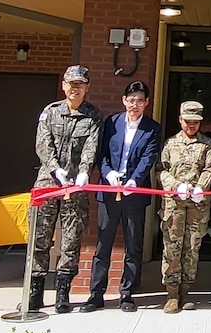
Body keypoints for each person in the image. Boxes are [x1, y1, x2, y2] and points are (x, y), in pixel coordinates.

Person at [82, 81, 161, 313]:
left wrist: (134, 180)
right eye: (131, 100)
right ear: (123, 100)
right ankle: (96, 294)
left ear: (146, 103)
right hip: (109, 191)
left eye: (139, 100)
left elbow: (148, 158)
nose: (134, 105)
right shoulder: (112, 123)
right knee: (103, 245)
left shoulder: (152, 128)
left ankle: (127, 293)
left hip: (134, 194)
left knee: (133, 245)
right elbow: (102, 154)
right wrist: (108, 174)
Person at [30, 65, 103, 313]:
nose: (75, 88)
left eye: (80, 84)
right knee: (39, 237)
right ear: (64, 85)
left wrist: (84, 171)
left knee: (71, 240)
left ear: (87, 87)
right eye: (71, 84)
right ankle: (35, 291)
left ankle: (63, 291)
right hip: (48, 184)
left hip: (75, 186)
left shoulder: (93, 116)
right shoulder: (50, 113)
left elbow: (91, 147)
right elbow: (42, 144)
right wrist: (54, 169)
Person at [158, 100, 211, 313]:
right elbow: (161, 170)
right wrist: (175, 185)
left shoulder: (207, 145)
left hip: (197, 205)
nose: (191, 125)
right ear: (180, 120)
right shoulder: (170, 144)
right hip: (174, 204)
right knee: (172, 246)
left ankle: (185, 291)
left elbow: (210, 169)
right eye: (188, 121)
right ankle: (172, 294)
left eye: (196, 122)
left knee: (192, 247)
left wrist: (201, 186)